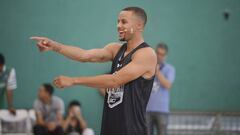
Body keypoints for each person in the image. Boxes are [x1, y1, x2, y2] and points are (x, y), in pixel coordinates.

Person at [31, 6, 157, 135]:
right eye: (118, 21)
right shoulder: (115, 49)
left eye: (123, 22)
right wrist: (55, 46)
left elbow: (114, 80)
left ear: (139, 26)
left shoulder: (146, 54)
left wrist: (74, 80)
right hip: (109, 127)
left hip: (132, 130)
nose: (118, 25)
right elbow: (84, 55)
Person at [146, 43, 176, 135]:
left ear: (165, 56)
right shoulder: (147, 67)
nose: (159, 56)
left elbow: (168, 85)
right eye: (157, 53)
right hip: (146, 110)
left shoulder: (170, 69)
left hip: (162, 111)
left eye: (162, 54)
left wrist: (157, 71)